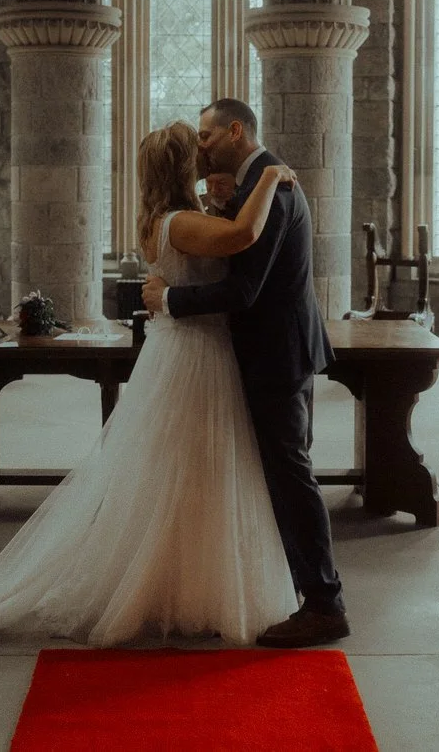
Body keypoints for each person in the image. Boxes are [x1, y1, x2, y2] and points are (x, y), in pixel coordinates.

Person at [0, 121, 302, 669]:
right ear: (180, 167)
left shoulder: (169, 219)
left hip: (192, 350)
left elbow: (215, 247)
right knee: (190, 469)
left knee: (189, 472)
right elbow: (242, 238)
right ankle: (174, 585)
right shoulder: (183, 222)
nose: (204, 151)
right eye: (193, 147)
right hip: (195, 355)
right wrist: (270, 176)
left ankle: (181, 582)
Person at [143, 98, 348, 649]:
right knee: (282, 472)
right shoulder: (254, 181)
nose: (201, 146)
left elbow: (244, 289)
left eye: (208, 135)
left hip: (276, 353)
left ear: (236, 131)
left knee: (290, 474)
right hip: (269, 349)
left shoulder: (273, 185)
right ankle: (296, 587)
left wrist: (170, 299)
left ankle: (325, 604)